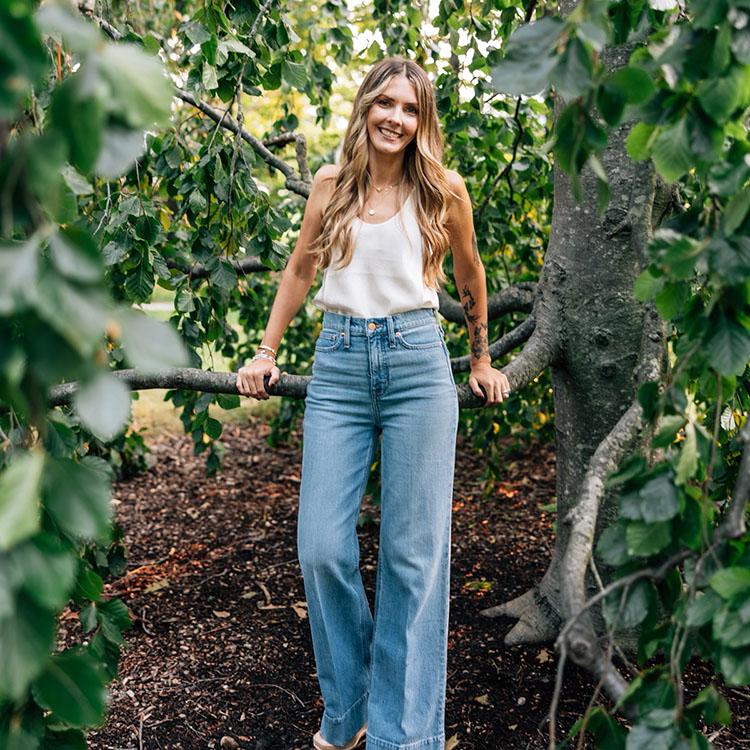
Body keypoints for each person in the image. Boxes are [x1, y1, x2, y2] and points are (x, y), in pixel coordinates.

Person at [236, 56, 510, 750]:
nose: (395, 117)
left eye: (411, 108)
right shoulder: (331, 184)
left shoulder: (443, 190)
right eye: (384, 103)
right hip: (340, 365)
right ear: (365, 108)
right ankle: (352, 705)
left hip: (420, 363)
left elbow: (472, 275)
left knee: (412, 559)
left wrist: (479, 359)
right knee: (322, 547)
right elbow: (302, 266)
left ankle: (404, 736)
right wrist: (265, 352)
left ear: (424, 122)